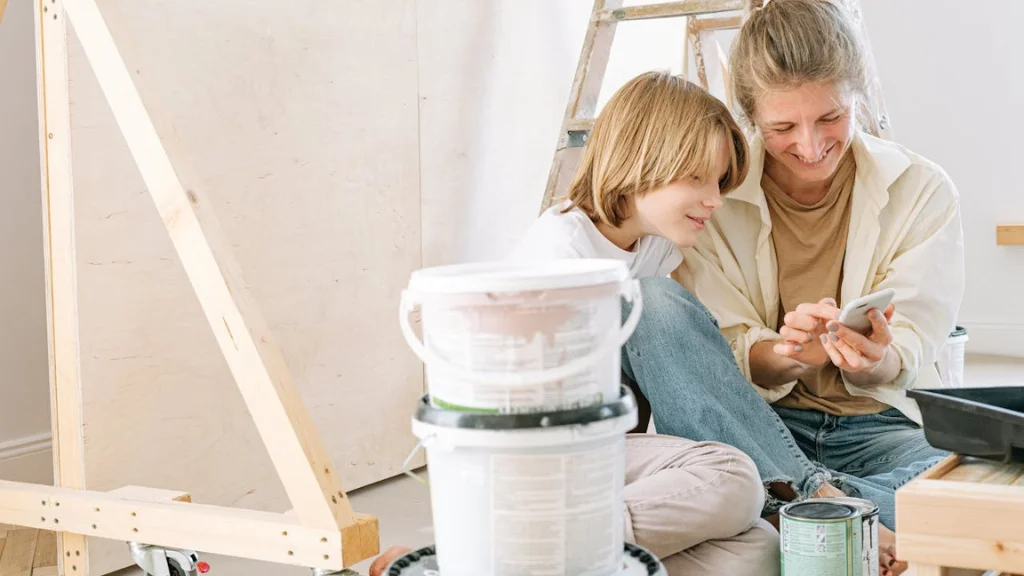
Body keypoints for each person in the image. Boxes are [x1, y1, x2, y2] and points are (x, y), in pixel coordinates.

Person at [369, 71, 778, 576]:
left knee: (758, 545)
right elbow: (536, 422)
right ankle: (515, 554)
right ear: (640, 163)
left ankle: (529, 561)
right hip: (542, 460)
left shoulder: (653, 246)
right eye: (696, 178)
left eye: (718, 181)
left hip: (600, 453)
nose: (715, 199)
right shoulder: (561, 254)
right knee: (732, 476)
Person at [618, 2, 963, 575]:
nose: (809, 145)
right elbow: (709, 350)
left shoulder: (922, 190)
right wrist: (783, 356)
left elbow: (912, 348)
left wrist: (871, 359)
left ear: (858, 97)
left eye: (831, 117)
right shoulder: (712, 196)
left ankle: (786, 508)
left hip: (880, 428)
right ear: (751, 117)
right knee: (651, 304)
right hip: (745, 422)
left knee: (990, 478)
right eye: (782, 128)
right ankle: (820, 505)